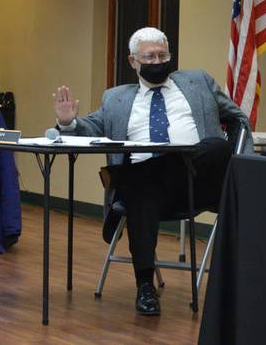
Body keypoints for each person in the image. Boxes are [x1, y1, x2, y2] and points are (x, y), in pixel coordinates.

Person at [52, 27, 252, 315]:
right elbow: (90, 129)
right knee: (141, 187)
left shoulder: (198, 82)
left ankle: (166, 162)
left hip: (199, 182)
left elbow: (238, 118)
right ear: (133, 61)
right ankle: (145, 286)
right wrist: (69, 123)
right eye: (149, 56)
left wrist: (239, 160)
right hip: (152, 192)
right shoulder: (116, 98)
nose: (157, 61)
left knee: (215, 147)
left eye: (162, 55)